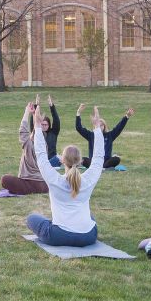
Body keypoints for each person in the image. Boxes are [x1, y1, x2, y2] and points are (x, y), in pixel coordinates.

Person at [26, 105, 106, 247]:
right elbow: (99, 157)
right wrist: (97, 128)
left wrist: (37, 126)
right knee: (90, 217)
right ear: (80, 161)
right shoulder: (88, 180)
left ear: (62, 160)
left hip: (59, 236)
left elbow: (41, 155)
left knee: (31, 218)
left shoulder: (55, 180)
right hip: (88, 236)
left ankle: (58, 224)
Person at [1, 101, 49, 195]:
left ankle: (24, 189)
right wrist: (35, 115)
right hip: (43, 185)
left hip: (29, 183)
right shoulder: (44, 146)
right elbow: (37, 129)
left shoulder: (28, 144)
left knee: (5, 179)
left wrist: (27, 111)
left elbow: (23, 130)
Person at [74, 103, 134, 169]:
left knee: (117, 159)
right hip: (94, 161)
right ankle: (100, 167)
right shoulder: (91, 135)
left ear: (104, 126)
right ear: (95, 126)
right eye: (98, 125)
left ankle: (101, 167)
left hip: (106, 161)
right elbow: (79, 128)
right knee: (82, 159)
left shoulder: (110, 135)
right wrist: (78, 113)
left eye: (101, 125)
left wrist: (127, 116)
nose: (100, 127)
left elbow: (119, 127)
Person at [40, 94, 62, 168]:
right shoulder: (37, 134)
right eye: (42, 124)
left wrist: (51, 106)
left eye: (45, 125)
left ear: (49, 125)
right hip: (41, 161)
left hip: (52, 159)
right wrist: (36, 106)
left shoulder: (53, 133)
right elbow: (33, 122)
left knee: (59, 158)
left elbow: (56, 119)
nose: (44, 126)